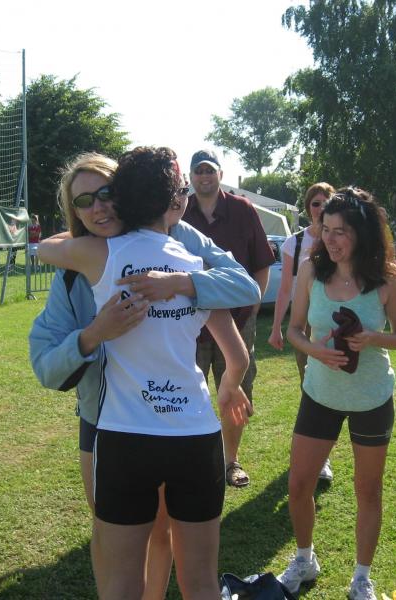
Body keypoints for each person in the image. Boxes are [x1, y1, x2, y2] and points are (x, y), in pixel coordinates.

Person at [29, 151, 260, 600]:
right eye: (85, 201)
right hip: (195, 435)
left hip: (125, 436)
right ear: (173, 200)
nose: (98, 207)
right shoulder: (195, 264)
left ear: (124, 197)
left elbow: (45, 249)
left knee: (120, 586)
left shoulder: (96, 254)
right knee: (202, 584)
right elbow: (237, 338)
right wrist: (229, 383)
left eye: (106, 195)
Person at [280, 188, 396, 599]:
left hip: (372, 398)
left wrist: (373, 337)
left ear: (362, 232)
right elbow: (294, 330)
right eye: (326, 229)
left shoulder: (388, 278)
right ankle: (305, 559)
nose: (331, 240)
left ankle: (361, 577)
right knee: (299, 485)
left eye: (341, 231)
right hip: (320, 393)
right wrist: (314, 350)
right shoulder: (310, 270)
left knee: (368, 490)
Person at [182, 148, 275, 488]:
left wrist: (254, 305)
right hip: (190, 324)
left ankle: (230, 461)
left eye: (210, 170)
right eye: (199, 171)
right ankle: (193, 460)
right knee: (187, 391)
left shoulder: (243, 210)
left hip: (235, 323)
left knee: (236, 390)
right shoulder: (178, 211)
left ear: (220, 174)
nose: (204, 176)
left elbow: (261, 263)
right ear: (191, 176)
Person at [268, 182, 336, 481]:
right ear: (308, 208)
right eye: (315, 204)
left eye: (325, 203)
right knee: (311, 386)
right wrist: (276, 327)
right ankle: (320, 458)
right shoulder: (294, 244)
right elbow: (285, 289)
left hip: (336, 321)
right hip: (304, 323)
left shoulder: (344, 238)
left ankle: (326, 451)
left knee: (336, 388)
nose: (320, 209)